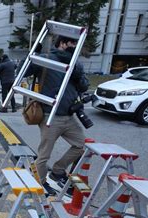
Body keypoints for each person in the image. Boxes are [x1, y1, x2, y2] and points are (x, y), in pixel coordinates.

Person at [24, 36, 89, 196]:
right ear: (62, 43)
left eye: (76, 43)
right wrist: (32, 56)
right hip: (50, 115)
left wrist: (78, 74)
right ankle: (41, 182)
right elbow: (23, 72)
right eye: (72, 42)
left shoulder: (75, 63)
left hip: (69, 115)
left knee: (80, 145)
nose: (74, 46)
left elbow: (84, 85)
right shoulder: (46, 59)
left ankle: (58, 170)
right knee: (44, 154)